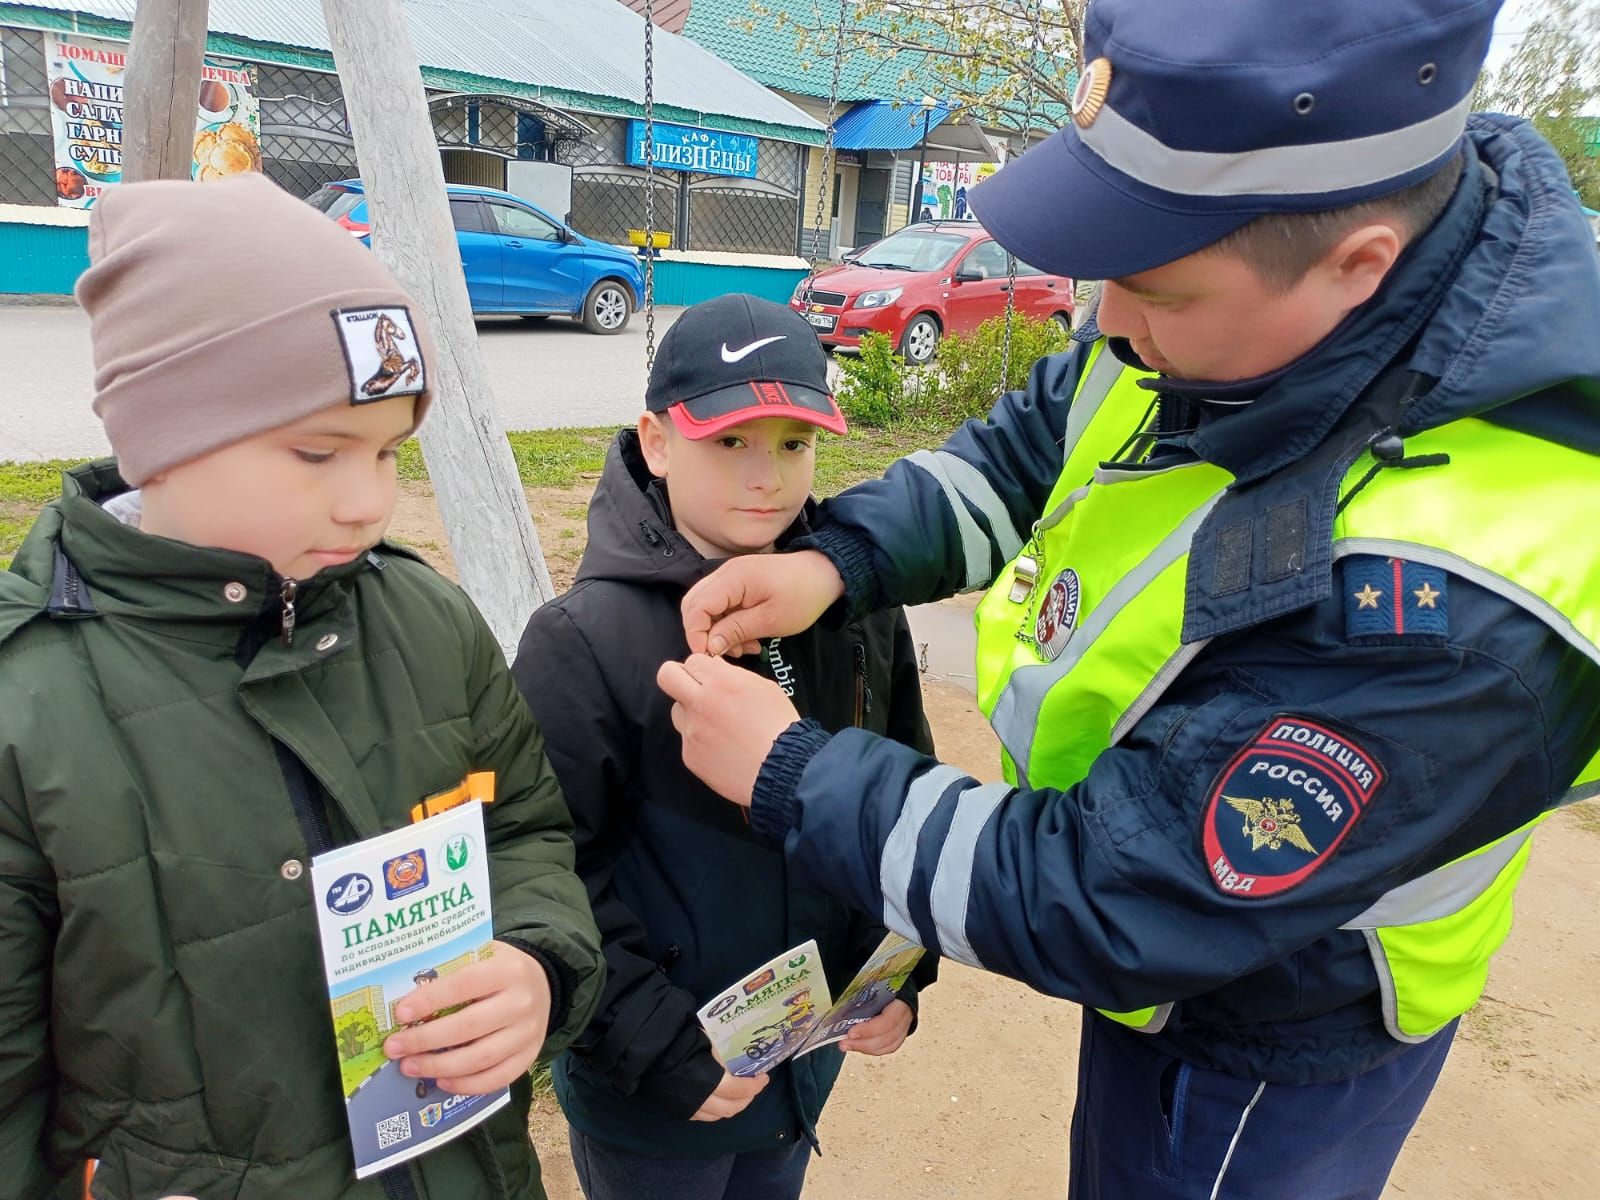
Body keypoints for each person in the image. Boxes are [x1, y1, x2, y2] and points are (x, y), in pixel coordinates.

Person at [655, 1, 1600, 1197]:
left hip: (1279, 1032)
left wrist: (791, 772)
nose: (1113, 326)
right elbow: (1036, 439)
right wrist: (839, 558)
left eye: (1153, 292)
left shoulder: (1452, 604)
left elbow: (1114, 891)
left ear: (1359, 264)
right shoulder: (1233, 300)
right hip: (1165, 970)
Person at [0, 173, 604, 1200]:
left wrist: (539, 964)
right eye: (319, 452)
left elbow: (522, 834)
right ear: (164, 435)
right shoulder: (31, 708)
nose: (370, 501)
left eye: (388, 454)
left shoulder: (426, 622)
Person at [511, 294, 937, 1200]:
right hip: (654, 1101)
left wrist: (900, 977)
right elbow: (546, 871)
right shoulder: (579, 642)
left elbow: (901, 795)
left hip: (799, 1069)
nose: (768, 477)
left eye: (794, 443)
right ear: (658, 441)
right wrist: (653, 1046)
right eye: (730, 442)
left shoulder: (857, 611)